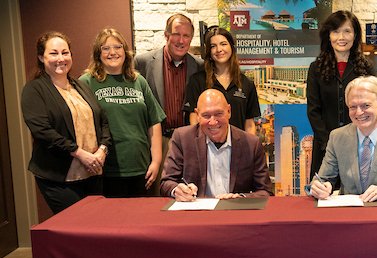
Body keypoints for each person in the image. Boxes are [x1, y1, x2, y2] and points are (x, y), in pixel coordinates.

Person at [21, 31, 111, 214]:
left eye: (65, 52)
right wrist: (79, 153)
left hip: (92, 172)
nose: (60, 58)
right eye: (53, 53)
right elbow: (43, 131)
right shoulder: (34, 89)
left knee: (96, 226)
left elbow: (102, 121)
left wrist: (102, 150)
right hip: (58, 178)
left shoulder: (81, 86)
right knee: (76, 228)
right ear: (41, 57)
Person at [80, 28, 166, 197]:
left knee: (141, 219)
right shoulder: (87, 82)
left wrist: (156, 162)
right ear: (98, 54)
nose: (112, 52)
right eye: (105, 48)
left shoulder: (138, 80)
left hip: (140, 166)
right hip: (106, 169)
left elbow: (154, 121)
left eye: (117, 47)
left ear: (125, 51)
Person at [134, 14, 203, 194]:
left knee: (190, 194)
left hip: (189, 142)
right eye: (176, 34)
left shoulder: (200, 66)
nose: (181, 40)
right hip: (158, 143)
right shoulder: (142, 63)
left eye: (186, 35)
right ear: (166, 35)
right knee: (158, 196)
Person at [161, 89, 273, 200]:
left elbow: (265, 192)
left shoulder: (251, 144)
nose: (213, 121)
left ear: (229, 111)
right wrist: (177, 190)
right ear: (197, 115)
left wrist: (240, 198)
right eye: (206, 115)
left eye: (218, 114)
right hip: (197, 213)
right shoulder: (182, 138)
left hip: (235, 213)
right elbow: (166, 183)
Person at [307, 10, 372, 178]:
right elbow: (313, 110)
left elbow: (371, 109)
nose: (341, 37)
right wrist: (328, 143)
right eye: (335, 31)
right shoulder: (316, 68)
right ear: (328, 35)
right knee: (323, 197)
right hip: (325, 147)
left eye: (347, 31)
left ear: (355, 35)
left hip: (359, 146)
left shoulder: (366, 68)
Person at [183, 27, 260, 134]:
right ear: (209, 51)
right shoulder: (197, 81)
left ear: (232, 47)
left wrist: (248, 149)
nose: (219, 49)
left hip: (238, 147)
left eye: (223, 44)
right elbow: (194, 120)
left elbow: (250, 124)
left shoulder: (247, 83)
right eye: (213, 46)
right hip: (207, 147)